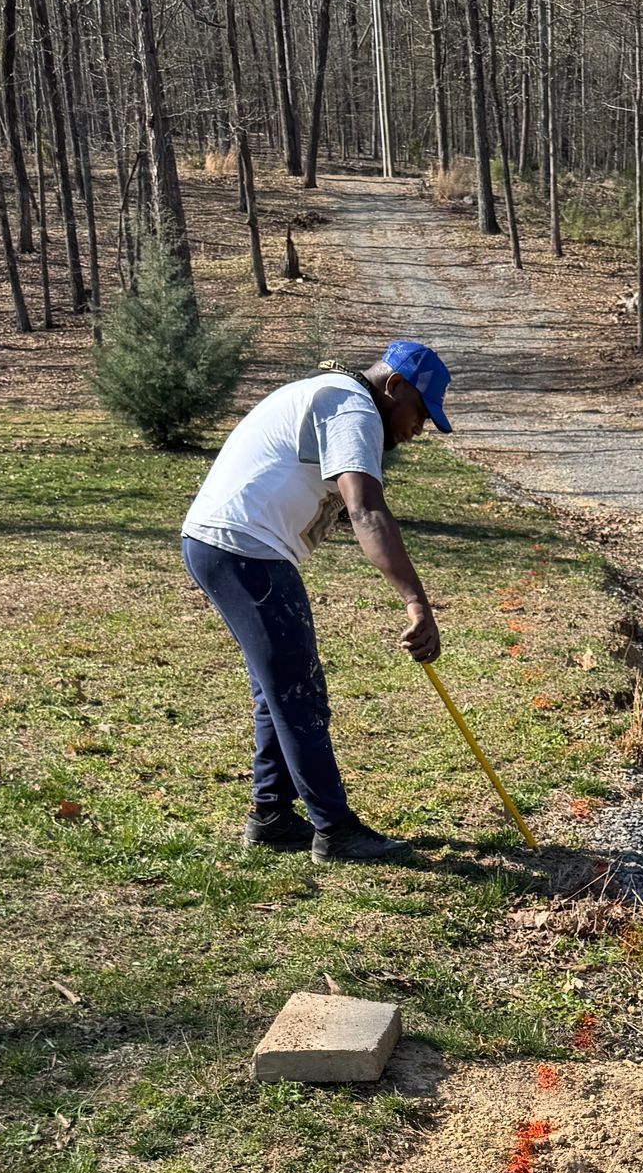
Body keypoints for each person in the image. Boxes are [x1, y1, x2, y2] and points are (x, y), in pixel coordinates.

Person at [180, 340, 451, 863]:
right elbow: (366, 511)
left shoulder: (335, 397)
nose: (418, 429)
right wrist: (416, 601)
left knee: (280, 687)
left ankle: (272, 816)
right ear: (393, 387)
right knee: (297, 690)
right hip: (240, 546)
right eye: (420, 412)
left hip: (231, 544)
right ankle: (335, 830)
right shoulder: (352, 408)